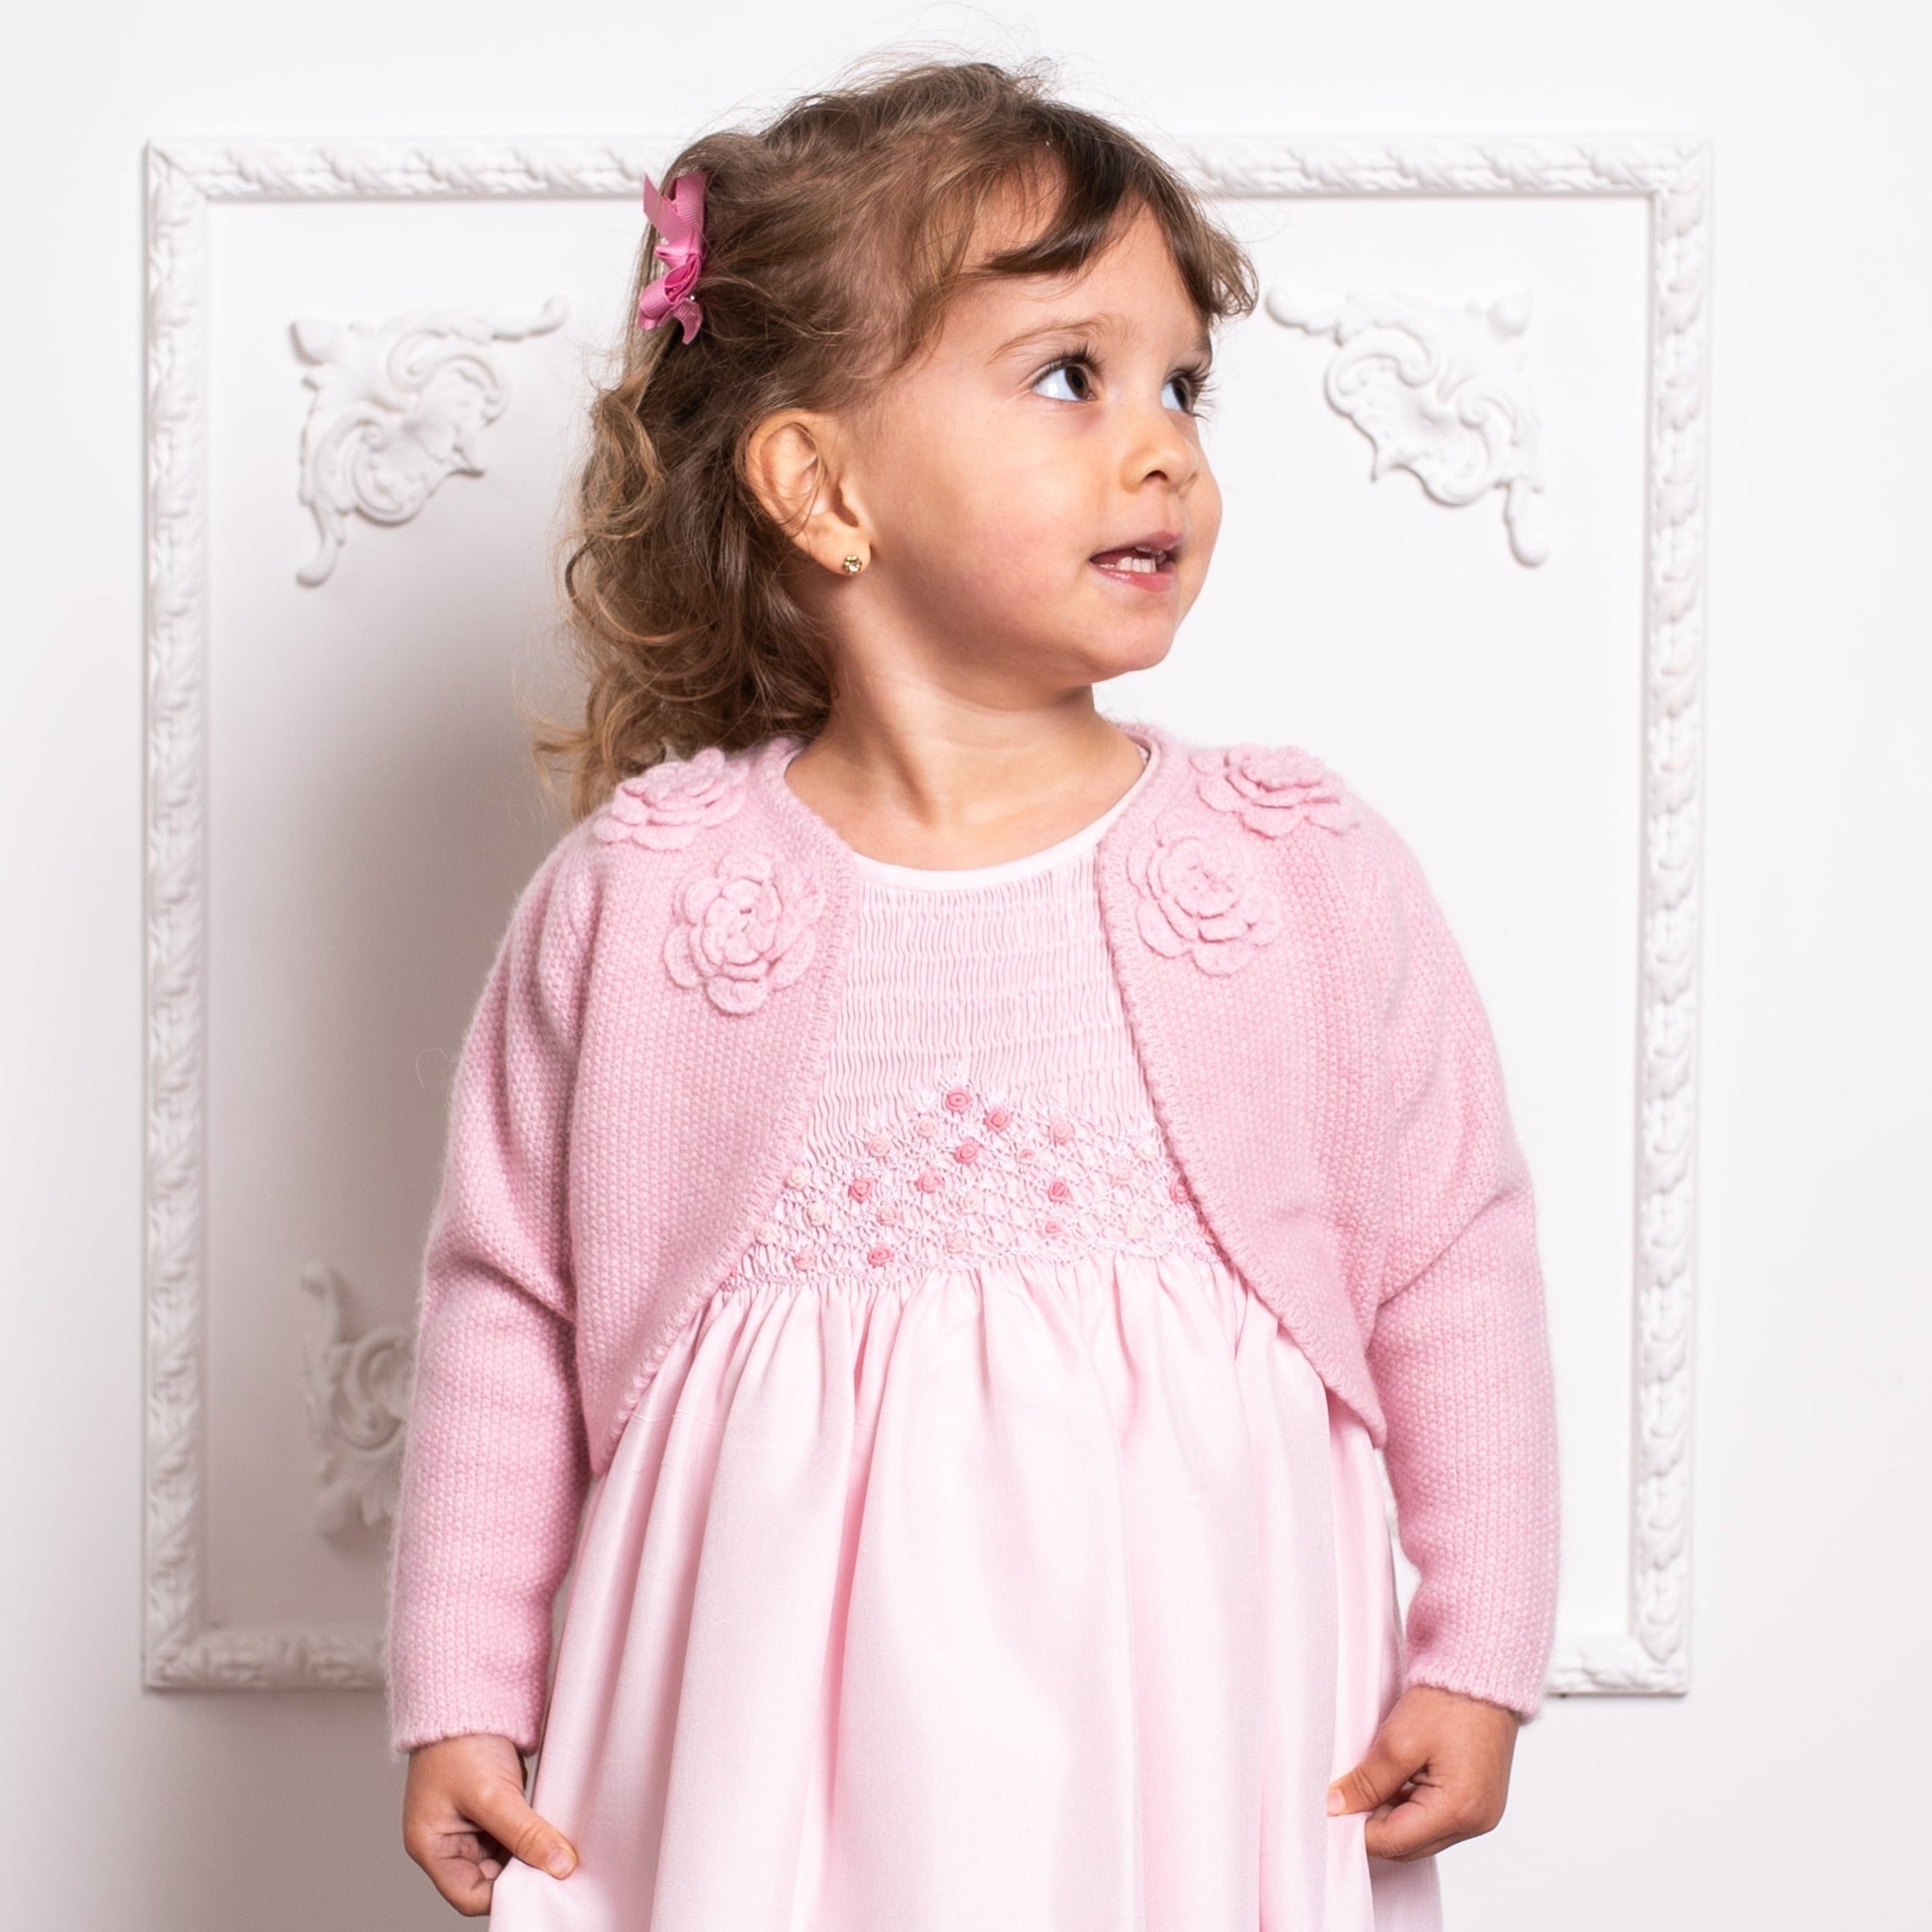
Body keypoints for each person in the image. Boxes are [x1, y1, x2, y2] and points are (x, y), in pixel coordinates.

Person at [388, 51, 1560, 1930]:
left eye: (1180, 383)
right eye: (1069, 375)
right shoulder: (647, 896)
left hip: (1202, 1703)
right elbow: (509, 1305)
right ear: (820, 482)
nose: (1162, 446)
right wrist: (463, 1687)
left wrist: (1477, 1644)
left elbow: (1452, 1251)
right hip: (762, 1724)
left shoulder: (1297, 870)